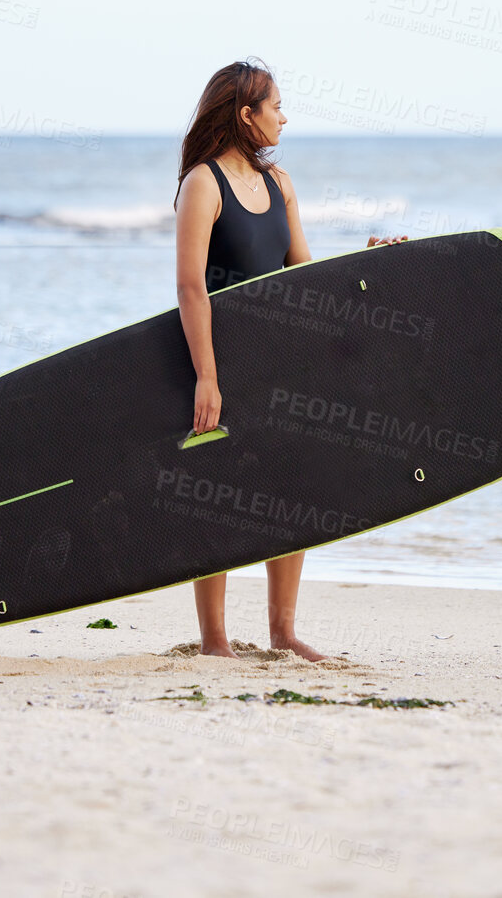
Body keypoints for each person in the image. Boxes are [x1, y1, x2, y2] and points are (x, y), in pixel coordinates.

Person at [172, 57, 403, 661]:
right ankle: (215, 640)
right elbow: (192, 287)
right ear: (246, 115)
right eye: (275, 106)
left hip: (282, 360)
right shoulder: (203, 184)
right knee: (218, 494)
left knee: (294, 489)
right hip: (220, 361)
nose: (283, 117)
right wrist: (206, 376)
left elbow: (302, 272)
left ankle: (282, 633)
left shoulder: (280, 184)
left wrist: (367, 262)